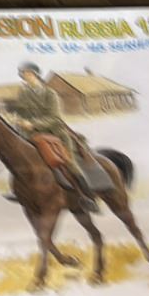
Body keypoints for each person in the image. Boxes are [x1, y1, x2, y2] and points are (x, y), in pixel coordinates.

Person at [11, 62, 109, 206]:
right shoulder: (24, 93)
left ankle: (87, 196)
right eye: (23, 75)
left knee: (69, 163)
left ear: (35, 75)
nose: (24, 77)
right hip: (29, 135)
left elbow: (54, 118)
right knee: (17, 158)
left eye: (26, 74)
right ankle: (19, 191)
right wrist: (16, 119)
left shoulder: (50, 94)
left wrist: (32, 124)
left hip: (54, 134)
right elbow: (20, 112)